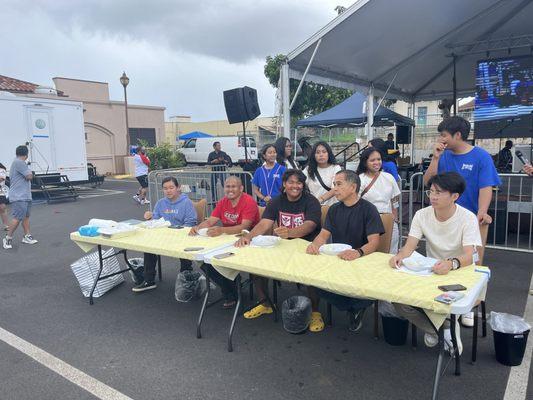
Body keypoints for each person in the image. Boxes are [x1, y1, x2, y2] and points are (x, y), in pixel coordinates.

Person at [389, 172, 482, 354]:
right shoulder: (422, 215)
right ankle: (441, 329)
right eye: (430, 192)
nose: (432, 197)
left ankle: (446, 325)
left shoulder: (467, 217)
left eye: (438, 193)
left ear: (455, 196)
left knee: (442, 303)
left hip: (460, 272)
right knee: (399, 300)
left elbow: (471, 255)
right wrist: (399, 256)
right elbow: (409, 246)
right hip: (431, 271)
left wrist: (451, 263)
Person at [423, 116, 500, 327]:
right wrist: (436, 159)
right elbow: (427, 182)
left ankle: (470, 305)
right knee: (443, 260)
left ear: (458, 135)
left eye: (444, 135)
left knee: (473, 262)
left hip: (472, 220)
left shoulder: (481, 157)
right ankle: (441, 304)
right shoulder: (444, 156)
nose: (441, 139)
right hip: (445, 219)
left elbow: (486, 188)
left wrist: (481, 213)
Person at [236, 169, 321, 320]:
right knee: (256, 266)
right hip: (282, 246)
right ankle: (264, 303)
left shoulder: (311, 201)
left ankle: (315, 312)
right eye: (291, 182)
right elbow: (265, 224)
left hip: (307, 247)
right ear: (284, 184)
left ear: (303, 185)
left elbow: (310, 225)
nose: (295, 186)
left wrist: (290, 233)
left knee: (311, 275)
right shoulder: (276, 201)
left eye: (299, 182)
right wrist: (248, 236)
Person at [306, 170, 385, 332]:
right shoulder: (334, 209)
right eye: (334, 184)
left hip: (362, 262)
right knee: (315, 283)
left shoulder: (369, 209)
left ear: (353, 187)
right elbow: (323, 235)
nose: (334, 188)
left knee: (367, 291)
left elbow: (374, 242)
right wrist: (315, 245)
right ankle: (353, 307)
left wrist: (358, 252)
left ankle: (356, 305)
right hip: (339, 261)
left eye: (339, 184)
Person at [189, 176, 259, 308]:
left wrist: (221, 230)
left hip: (247, 241)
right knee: (202, 259)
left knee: (216, 260)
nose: (230, 189)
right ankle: (232, 286)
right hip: (226, 240)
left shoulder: (248, 201)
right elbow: (210, 221)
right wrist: (198, 228)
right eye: (227, 186)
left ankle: (231, 292)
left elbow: (244, 227)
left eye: (233, 186)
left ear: (241, 188)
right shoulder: (223, 202)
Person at [132, 177, 197, 292]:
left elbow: (191, 222)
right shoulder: (160, 203)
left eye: (171, 187)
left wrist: (177, 232)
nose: (168, 191)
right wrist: (150, 217)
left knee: (185, 251)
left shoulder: (186, 202)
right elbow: (156, 222)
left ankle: (186, 281)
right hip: (163, 236)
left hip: (181, 236)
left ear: (178, 188)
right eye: (165, 188)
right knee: (149, 246)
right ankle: (149, 280)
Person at [356, 147, 401, 252]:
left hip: (388, 220)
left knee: (390, 252)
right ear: (365, 162)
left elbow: (394, 200)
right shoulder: (359, 179)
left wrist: (395, 219)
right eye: (372, 160)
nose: (376, 162)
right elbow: (355, 202)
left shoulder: (389, 177)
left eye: (379, 159)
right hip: (367, 222)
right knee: (368, 252)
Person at [3, 146, 37, 250]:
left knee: (26, 217)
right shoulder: (19, 162)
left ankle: (27, 236)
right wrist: (31, 173)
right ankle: (7, 238)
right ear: (26, 155)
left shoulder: (18, 162)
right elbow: (29, 176)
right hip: (19, 196)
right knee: (17, 218)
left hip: (25, 195)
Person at [303, 141, 342, 206]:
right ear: (314, 155)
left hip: (331, 207)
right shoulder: (308, 169)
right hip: (313, 207)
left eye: (324, 152)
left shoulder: (335, 168)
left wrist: (320, 200)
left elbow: (335, 188)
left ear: (328, 154)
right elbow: (299, 181)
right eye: (317, 152)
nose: (321, 155)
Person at [0, 162, 11, 231]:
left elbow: (1, 179)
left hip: (0, 193)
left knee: (2, 208)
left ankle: (6, 225)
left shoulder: (2, 170)